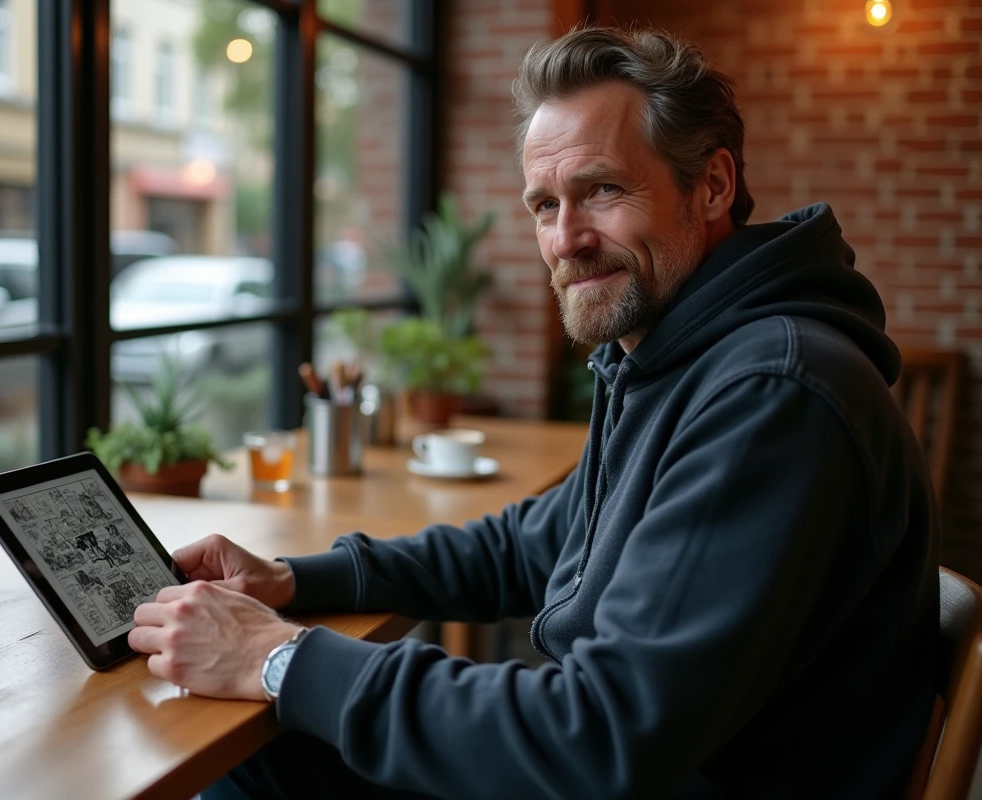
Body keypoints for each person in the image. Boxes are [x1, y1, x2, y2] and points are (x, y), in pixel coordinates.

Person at [128, 26, 938, 799]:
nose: (566, 238)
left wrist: (280, 660)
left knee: (257, 744)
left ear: (713, 185)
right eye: (544, 206)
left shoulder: (769, 394)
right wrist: (297, 579)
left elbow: (604, 740)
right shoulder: (671, 359)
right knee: (267, 747)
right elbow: (533, 544)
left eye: (603, 191)